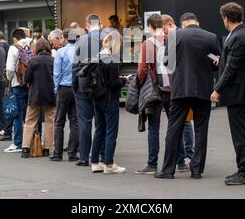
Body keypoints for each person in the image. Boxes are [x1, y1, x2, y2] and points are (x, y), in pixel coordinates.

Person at [155, 13, 220, 179]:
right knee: (201, 129)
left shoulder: (175, 35)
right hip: (203, 89)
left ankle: (168, 170)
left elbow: (167, 62)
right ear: (197, 22)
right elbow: (216, 61)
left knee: (174, 128)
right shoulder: (210, 37)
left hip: (181, 88)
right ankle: (197, 169)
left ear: (182, 23)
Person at [210, 2, 245, 185]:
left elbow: (231, 69)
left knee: (241, 134)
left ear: (226, 18)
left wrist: (217, 89)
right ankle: (243, 169)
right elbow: (235, 64)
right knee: (242, 132)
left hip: (239, 93)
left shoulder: (238, 37)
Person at [136, 14, 188, 175]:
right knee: (175, 125)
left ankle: (152, 164)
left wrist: (140, 83)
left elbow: (142, 69)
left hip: (155, 89)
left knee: (153, 127)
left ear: (150, 26)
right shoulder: (172, 40)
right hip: (173, 88)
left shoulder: (148, 44)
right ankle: (180, 161)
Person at [90, 31, 127, 174]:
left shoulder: (96, 57)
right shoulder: (111, 61)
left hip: (96, 98)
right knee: (111, 131)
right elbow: (114, 84)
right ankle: (109, 164)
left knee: (99, 130)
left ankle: (94, 162)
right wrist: (123, 80)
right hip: (110, 99)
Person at [73, 14, 107, 166]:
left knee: (84, 121)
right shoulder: (107, 38)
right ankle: (104, 154)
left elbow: (74, 66)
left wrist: (75, 85)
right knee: (103, 121)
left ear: (87, 25)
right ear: (100, 23)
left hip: (83, 84)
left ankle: (84, 156)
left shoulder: (80, 41)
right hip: (102, 85)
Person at [162, 14, 195, 163]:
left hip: (179, 85)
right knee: (187, 121)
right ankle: (189, 153)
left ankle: (187, 153)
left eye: (164, 29)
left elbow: (169, 64)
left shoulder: (176, 36)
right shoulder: (187, 34)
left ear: (169, 25)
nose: (163, 33)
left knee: (184, 122)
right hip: (190, 84)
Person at [21, 39, 56, 158]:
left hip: (35, 95)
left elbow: (27, 79)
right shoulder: (53, 60)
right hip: (50, 94)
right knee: (50, 122)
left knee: (29, 121)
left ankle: (25, 148)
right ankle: (47, 148)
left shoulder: (33, 61)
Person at [50, 29, 80, 162]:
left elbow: (57, 73)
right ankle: (72, 153)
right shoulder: (80, 52)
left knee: (59, 122)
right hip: (77, 88)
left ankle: (57, 153)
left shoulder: (60, 52)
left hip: (63, 88)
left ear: (65, 38)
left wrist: (56, 89)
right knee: (75, 121)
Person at [2, 29, 30, 153]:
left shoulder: (13, 48)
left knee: (17, 115)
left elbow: (9, 69)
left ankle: (18, 143)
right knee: (31, 115)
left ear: (14, 38)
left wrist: (9, 79)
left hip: (18, 84)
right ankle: (33, 140)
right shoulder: (32, 44)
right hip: (31, 85)